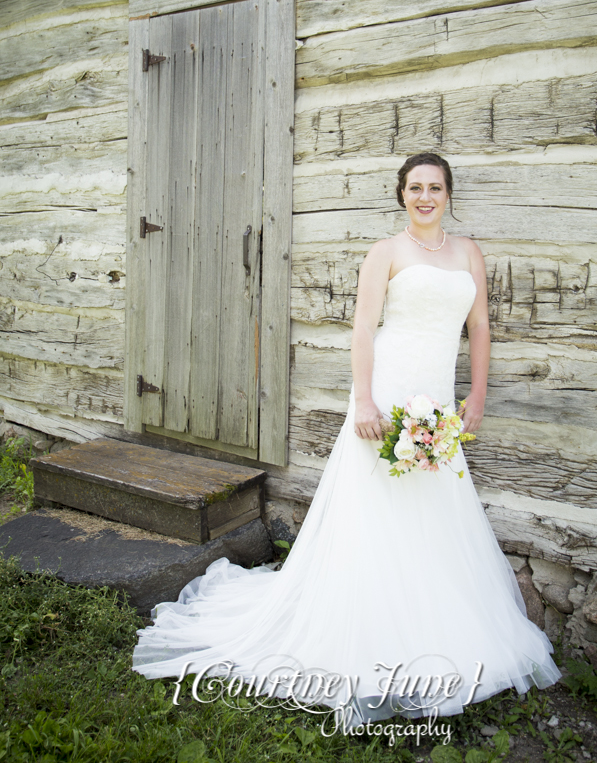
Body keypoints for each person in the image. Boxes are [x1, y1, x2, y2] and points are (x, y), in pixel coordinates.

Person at [132, 151, 560, 722]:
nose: (425, 196)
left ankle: (429, 618)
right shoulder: (385, 253)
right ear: (401, 194)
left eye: (435, 187)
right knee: (376, 504)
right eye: (415, 188)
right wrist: (363, 398)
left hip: (436, 398)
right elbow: (363, 327)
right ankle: (368, 619)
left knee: (433, 506)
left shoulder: (469, 254)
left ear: (449, 195)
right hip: (387, 388)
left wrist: (477, 395)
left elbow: (478, 326)